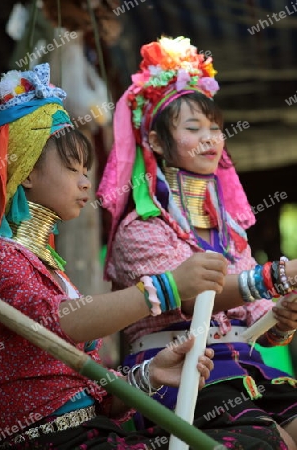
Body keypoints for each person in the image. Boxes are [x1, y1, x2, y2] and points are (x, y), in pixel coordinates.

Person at [0, 63, 227, 450]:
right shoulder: (2, 257)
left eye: (87, 169)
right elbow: (60, 323)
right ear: (27, 172)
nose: (86, 180)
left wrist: (150, 375)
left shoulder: (52, 272)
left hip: (92, 433)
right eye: (72, 168)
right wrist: (167, 288)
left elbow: (92, 391)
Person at [98, 36, 297, 450]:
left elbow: (259, 321)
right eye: (194, 128)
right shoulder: (142, 229)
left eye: (215, 128)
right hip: (176, 373)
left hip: (244, 367)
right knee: (270, 440)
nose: (210, 138)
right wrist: (276, 275)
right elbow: (191, 299)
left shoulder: (230, 231)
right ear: (155, 142)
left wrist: (281, 318)